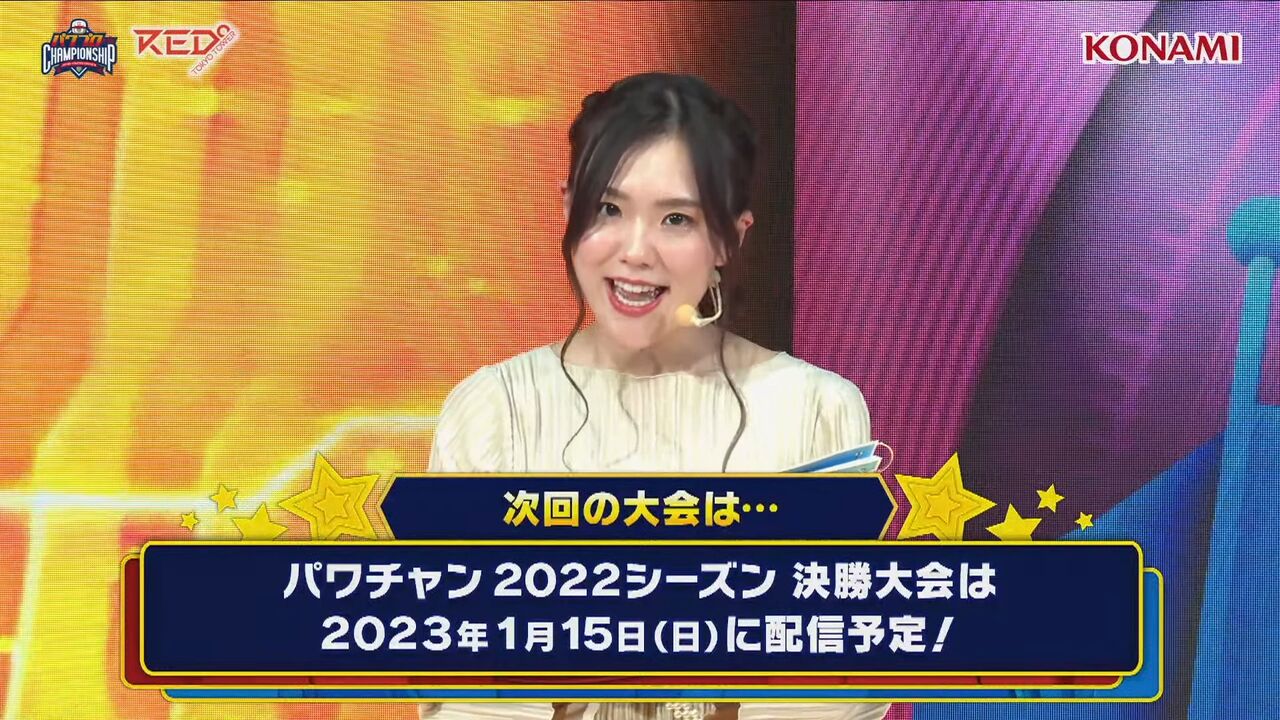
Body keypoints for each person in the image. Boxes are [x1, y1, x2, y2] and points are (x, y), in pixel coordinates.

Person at [421, 73, 889, 720]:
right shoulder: (494, 411)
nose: (635, 252)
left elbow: (836, 681)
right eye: (607, 210)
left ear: (729, 238)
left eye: (676, 219)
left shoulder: (814, 410)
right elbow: (461, 684)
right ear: (568, 208)